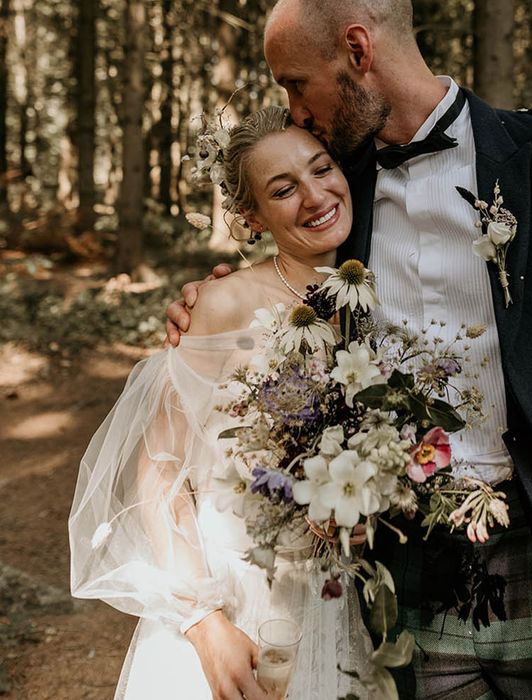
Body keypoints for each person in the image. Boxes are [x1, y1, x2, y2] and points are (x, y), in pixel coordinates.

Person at [165, 1, 532, 698]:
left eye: (296, 84)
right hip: (401, 569)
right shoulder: (333, 186)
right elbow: (281, 286)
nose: (294, 112)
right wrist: (207, 308)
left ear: (358, 49)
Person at [69, 106, 372, 700]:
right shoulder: (221, 305)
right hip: (237, 605)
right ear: (251, 217)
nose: (314, 196)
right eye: (283, 189)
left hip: (334, 603)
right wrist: (205, 625)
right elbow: (158, 477)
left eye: (322, 169)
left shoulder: (375, 299)